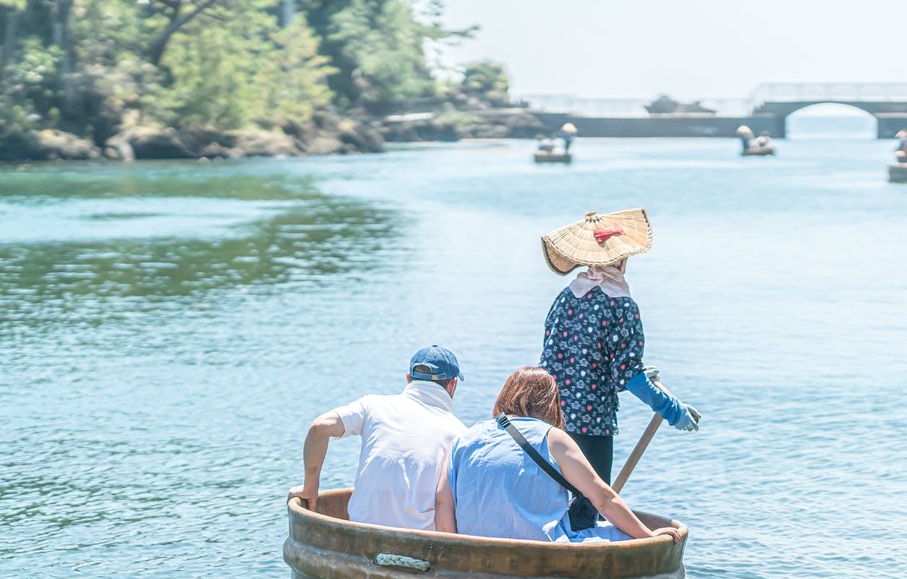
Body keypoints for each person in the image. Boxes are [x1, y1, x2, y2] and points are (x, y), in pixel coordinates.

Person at [538, 208, 701, 485]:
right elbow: (628, 376)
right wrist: (671, 410)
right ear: (621, 261)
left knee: (555, 499)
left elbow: (565, 359)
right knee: (591, 504)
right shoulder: (622, 306)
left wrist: (621, 376)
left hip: (549, 419)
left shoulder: (566, 296)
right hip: (590, 424)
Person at [434, 367, 681, 543]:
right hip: (541, 550)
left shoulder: (464, 438)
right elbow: (603, 499)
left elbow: (443, 503)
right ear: (551, 403)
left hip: (475, 548)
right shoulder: (552, 438)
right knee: (622, 534)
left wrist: (457, 553)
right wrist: (648, 537)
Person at [289, 345, 467, 530]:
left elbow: (319, 428)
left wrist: (310, 487)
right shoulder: (461, 435)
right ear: (452, 385)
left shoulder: (373, 406)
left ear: (408, 379)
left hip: (360, 534)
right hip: (419, 545)